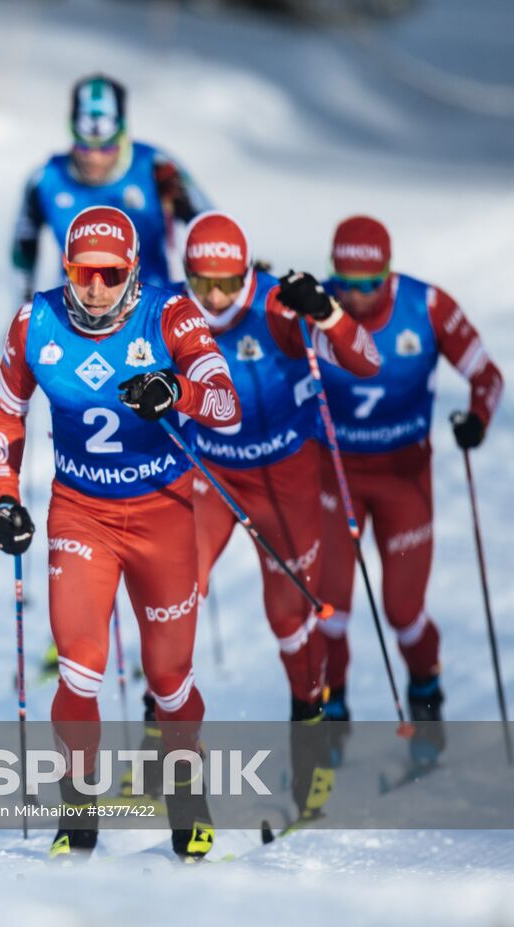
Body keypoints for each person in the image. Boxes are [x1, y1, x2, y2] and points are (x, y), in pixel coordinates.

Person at [0, 205, 240, 861]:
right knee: (78, 667)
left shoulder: (169, 314)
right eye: (82, 273)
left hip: (163, 512)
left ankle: (186, 795)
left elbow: (225, 401)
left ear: (132, 270)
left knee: (170, 679)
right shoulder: (36, 322)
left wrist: (176, 388)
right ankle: (77, 812)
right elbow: (6, 415)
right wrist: (6, 499)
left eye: (110, 274)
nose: (95, 289)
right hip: (82, 513)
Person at [178, 211, 380, 818]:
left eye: (227, 283)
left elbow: (367, 361)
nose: (215, 298)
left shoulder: (277, 308)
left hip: (284, 479)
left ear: (246, 273)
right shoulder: (173, 311)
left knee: (290, 619)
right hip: (211, 474)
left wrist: (328, 313)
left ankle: (311, 745)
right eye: (202, 282)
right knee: (173, 594)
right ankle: (161, 748)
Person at [313, 216, 502, 764]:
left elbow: (487, 376)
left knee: (403, 609)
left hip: (403, 478)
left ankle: (426, 699)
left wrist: (477, 420)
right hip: (336, 475)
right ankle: (330, 719)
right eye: (344, 282)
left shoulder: (428, 306)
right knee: (328, 608)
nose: (355, 295)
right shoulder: (314, 307)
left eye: (370, 284)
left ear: (389, 274)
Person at [10, 74, 208, 302]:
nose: (94, 158)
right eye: (84, 148)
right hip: (78, 312)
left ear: (122, 137)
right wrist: (25, 308)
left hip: (151, 310)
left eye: (106, 149)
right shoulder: (46, 179)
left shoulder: (155, 167)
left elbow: (211, 228)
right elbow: (23, 251)